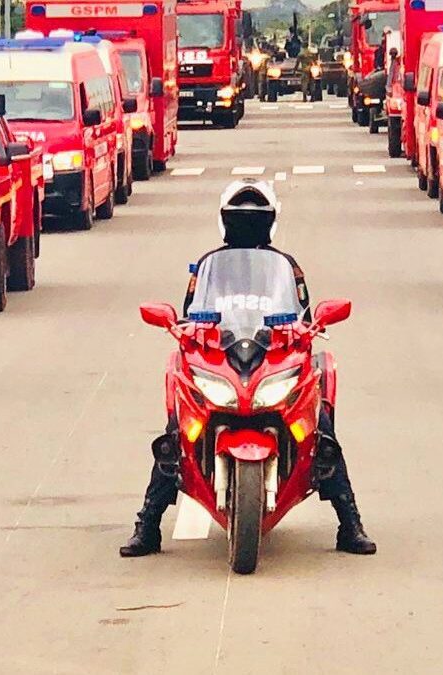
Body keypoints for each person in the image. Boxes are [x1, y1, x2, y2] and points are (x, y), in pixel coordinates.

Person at [119, 179, 377, 558]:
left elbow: (307, 316)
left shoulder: (288, 268)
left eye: (255, 217)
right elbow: (189, 315)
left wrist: (310, 327)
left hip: (271, 356)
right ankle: (148, 526)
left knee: (322, 435)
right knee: (175, 438)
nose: (247, 224)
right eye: (240, 217)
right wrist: (181, 327)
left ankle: (349, 524)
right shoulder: (207, 268)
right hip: (222, 356)